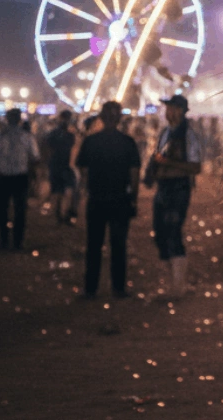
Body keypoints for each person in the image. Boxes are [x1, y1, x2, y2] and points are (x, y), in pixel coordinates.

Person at [75, 102, 141, 299]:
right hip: (120, 198)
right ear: (120, 119)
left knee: (93, 245)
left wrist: (89, 185)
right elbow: (134, 173)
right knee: (118, 245)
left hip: (97, 198)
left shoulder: (91, 141)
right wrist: (134, 198)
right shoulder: (128, 142)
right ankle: (118, 288)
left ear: (101, 118)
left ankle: (90, 289)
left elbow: (82, 168)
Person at [145, 94, 203, 297]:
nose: (166, 111)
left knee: (173, 232)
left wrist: (167, 163)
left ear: (179, 110)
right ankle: (173, 282)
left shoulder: (189, 135)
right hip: (163, 188)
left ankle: (179, 286)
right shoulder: (165, 133)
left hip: (179, 188)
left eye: (169, 108)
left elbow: (196, 167)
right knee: (159, 233)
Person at [0, 108, 39, 250]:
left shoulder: (0, 136)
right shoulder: (26, 136)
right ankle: (18, 242)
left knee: (3, 209)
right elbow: (35, 157)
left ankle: (4, 240)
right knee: (20, 210)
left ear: (7, 119)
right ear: (19, 119)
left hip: (3, 177)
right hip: (21, 177)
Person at [44, 110, 78, 224]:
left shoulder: (55, 133)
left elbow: (48, 147)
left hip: (58, 164)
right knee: (65, 190)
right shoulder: (70, 134)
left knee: (60, 190)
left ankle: (59, 212)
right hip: (64, 164)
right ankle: (63, 212)